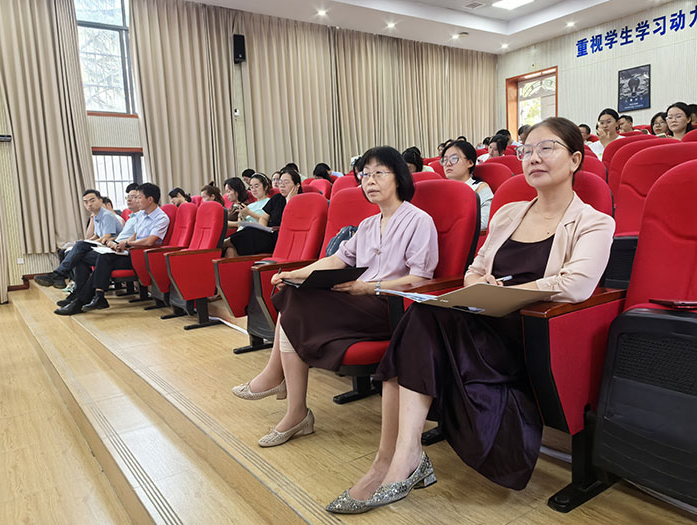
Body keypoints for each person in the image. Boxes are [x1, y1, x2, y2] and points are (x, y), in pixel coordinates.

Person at [324, 117, 615, 514]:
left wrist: (507, 293)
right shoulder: (508, 214)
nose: (533, 158)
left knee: (420, 324)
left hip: (530, 338)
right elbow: (473, 270)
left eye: (546, 148)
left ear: (576, 159)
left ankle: (399, 461)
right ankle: (392, 459)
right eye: (527, 150)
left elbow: (576, 285)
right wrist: (482, 283)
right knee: (422, 316)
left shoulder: (594, 221)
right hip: (480, 323)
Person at [231, 146, 438, 451]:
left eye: (379, 173)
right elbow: (337, 260)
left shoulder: (419, 220)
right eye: (365, 174)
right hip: (359, 302)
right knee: (292, 291)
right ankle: (294, 409)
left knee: (295, 302)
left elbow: (420, 279)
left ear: (399, 178)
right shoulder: (368, 225)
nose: (370, 180)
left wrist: (371, 287)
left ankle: (283, 389)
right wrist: (296, 273)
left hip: (392, 307)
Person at [54, 183, 170, 315]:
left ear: (150, 199)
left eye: (139, 197)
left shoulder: (161, 218)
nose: (136, 200)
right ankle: (93, 297)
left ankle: (83, 300)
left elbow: (150, 241)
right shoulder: (141, 215)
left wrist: (127, 244)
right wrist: (119, 244)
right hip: (130, 252)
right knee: (93, 258)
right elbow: (135, 235)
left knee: (103, 260)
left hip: (144, 257)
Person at [35, 189, 122, 289]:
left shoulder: (107, 215)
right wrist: (85, 242)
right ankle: (68, 284)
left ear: (100, 200)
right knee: (73, 251)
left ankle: (60, 277)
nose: (89, 204)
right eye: (86, 202)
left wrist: (85, 243)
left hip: (113, 249)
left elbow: (106, 237)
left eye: (92, 200)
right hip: (103, 247)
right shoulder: (97, 216)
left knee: (79, 253)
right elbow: (96, 235)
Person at [223, 168, 302, 257]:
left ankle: (222, 245)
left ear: (297, 186)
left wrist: (289, 202)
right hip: (269, 234)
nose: (282, 185)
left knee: (248, 233)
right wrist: (262, 230)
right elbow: (264, 217)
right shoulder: (276, 198)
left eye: (286, 182)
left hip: (282, 237)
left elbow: (290, 223)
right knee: (234, 246)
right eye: (280, 182)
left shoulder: (301, 201)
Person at [441, 140, 493, 229]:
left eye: (454, 159)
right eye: (445, 160)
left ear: (470, 163)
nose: (448, 164)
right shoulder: (440, 190)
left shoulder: (480, 188)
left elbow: (484, 223)